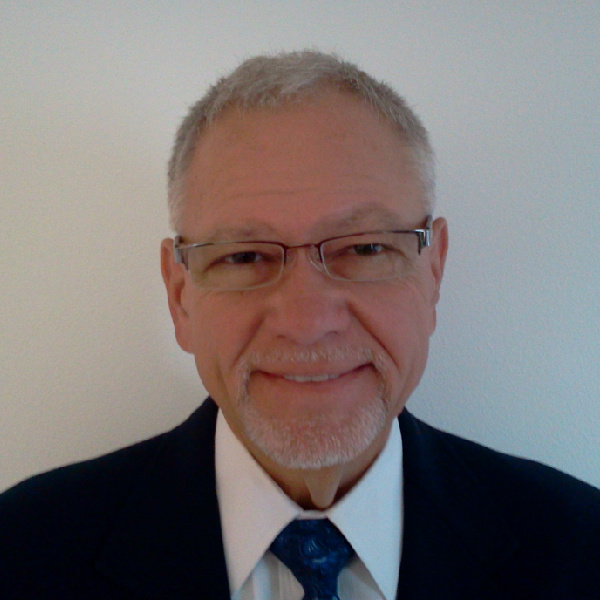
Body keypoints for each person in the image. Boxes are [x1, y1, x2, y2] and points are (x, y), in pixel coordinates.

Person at [1, 50, 599, 600]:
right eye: (244, 256)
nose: (308, 323)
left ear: (434, 270)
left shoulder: (581, 550)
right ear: (180, 296)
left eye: (365, 248)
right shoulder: (22, 553)